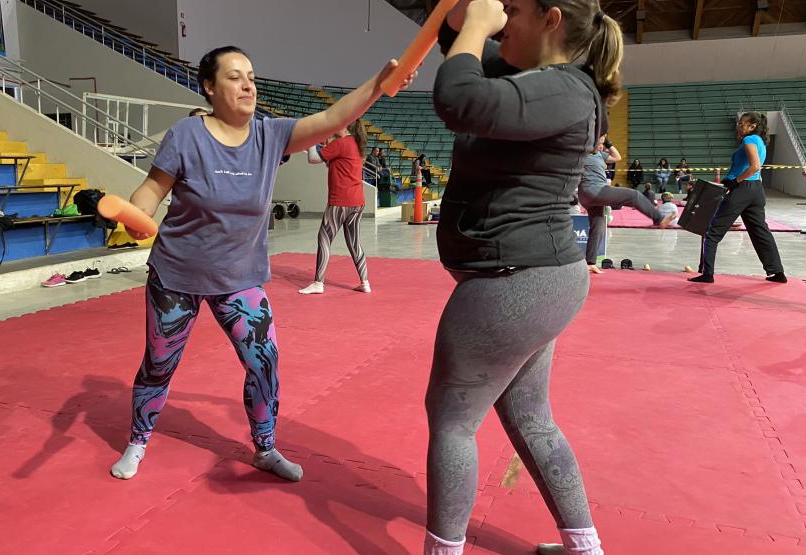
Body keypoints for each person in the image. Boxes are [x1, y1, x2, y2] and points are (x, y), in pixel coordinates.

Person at [109, 45, 414, 482]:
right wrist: (137, 218)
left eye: (250, 75)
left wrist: (377, 88)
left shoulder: (270, 136)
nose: (247, 84)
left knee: (264, 361)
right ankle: (138, 441)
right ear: (210, 87)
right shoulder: (185, 136)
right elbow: (151, 192)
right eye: (234, 77)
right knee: (159, 365)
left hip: (239, 279)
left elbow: (333, 119)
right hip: (176, 275)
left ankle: (265, 448)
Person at [424, 0, 622, 553]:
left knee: (453, 423)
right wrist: (470, 17)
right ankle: (585, 547)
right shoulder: (532, 80)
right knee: (531, 417)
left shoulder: (563, 90)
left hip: (513, 284)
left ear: (551, 19)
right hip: (536, 282)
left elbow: (458, 97)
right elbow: (455, 40)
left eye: (513, 10)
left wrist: (482, 26)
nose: (502, 19)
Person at [689, 112, 786, 284]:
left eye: (742, 123)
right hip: (756, 190)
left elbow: (755, 166)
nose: (738, 126)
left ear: (752, 126)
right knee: (760, 232)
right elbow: (751, 167)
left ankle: (707, 274)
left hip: (743, 189)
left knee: (713, 231)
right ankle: (777, 272)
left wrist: (735, 181)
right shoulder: (760, 141)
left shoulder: (749, 140)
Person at [579, 136, 675, 274]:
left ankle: (590, 262)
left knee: (598, 227)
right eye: (599, 144)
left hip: (588, 197)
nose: (601, 147)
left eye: (603, 145)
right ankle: (659, 219)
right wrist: (599, 138)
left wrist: (607, 142)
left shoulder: (600, 155)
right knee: (633, 195)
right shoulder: (583, 152)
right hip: (594, 190)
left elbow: (617, 157)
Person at [299, 119, 371, 295]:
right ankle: (365, 282)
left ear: (345, 126)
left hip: (340, 201)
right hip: (357, 201)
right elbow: (333, 164)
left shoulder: (341, 143)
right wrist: (325, 146)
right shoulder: (355, 144)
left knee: (324, 238)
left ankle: (318, 282)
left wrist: (309, 143)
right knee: (354, 243)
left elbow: (313, 159)